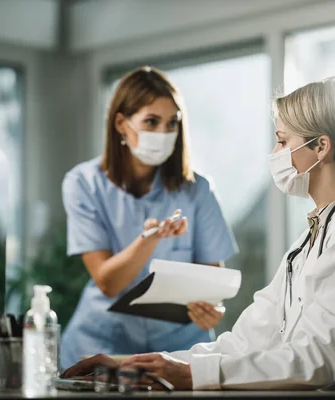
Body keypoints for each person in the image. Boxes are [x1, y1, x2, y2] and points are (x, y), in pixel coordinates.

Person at [61, 76, 335, 393]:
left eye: (282, 141)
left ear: (321, 148)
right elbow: (247, 341)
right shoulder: (311, 239)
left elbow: (317, 360)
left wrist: (192, 376)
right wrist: (132, 363)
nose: (275, 152)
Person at [59, 66, 238, 370]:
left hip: (178, 350)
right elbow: (107, 282)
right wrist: (149, 240)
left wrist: (211, 307)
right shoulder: (83, 184)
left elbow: (212, 282)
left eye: (172, 124)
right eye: (151, 122)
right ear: (121, 124)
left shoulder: (198, 191)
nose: (163, 134)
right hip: (101, 344)